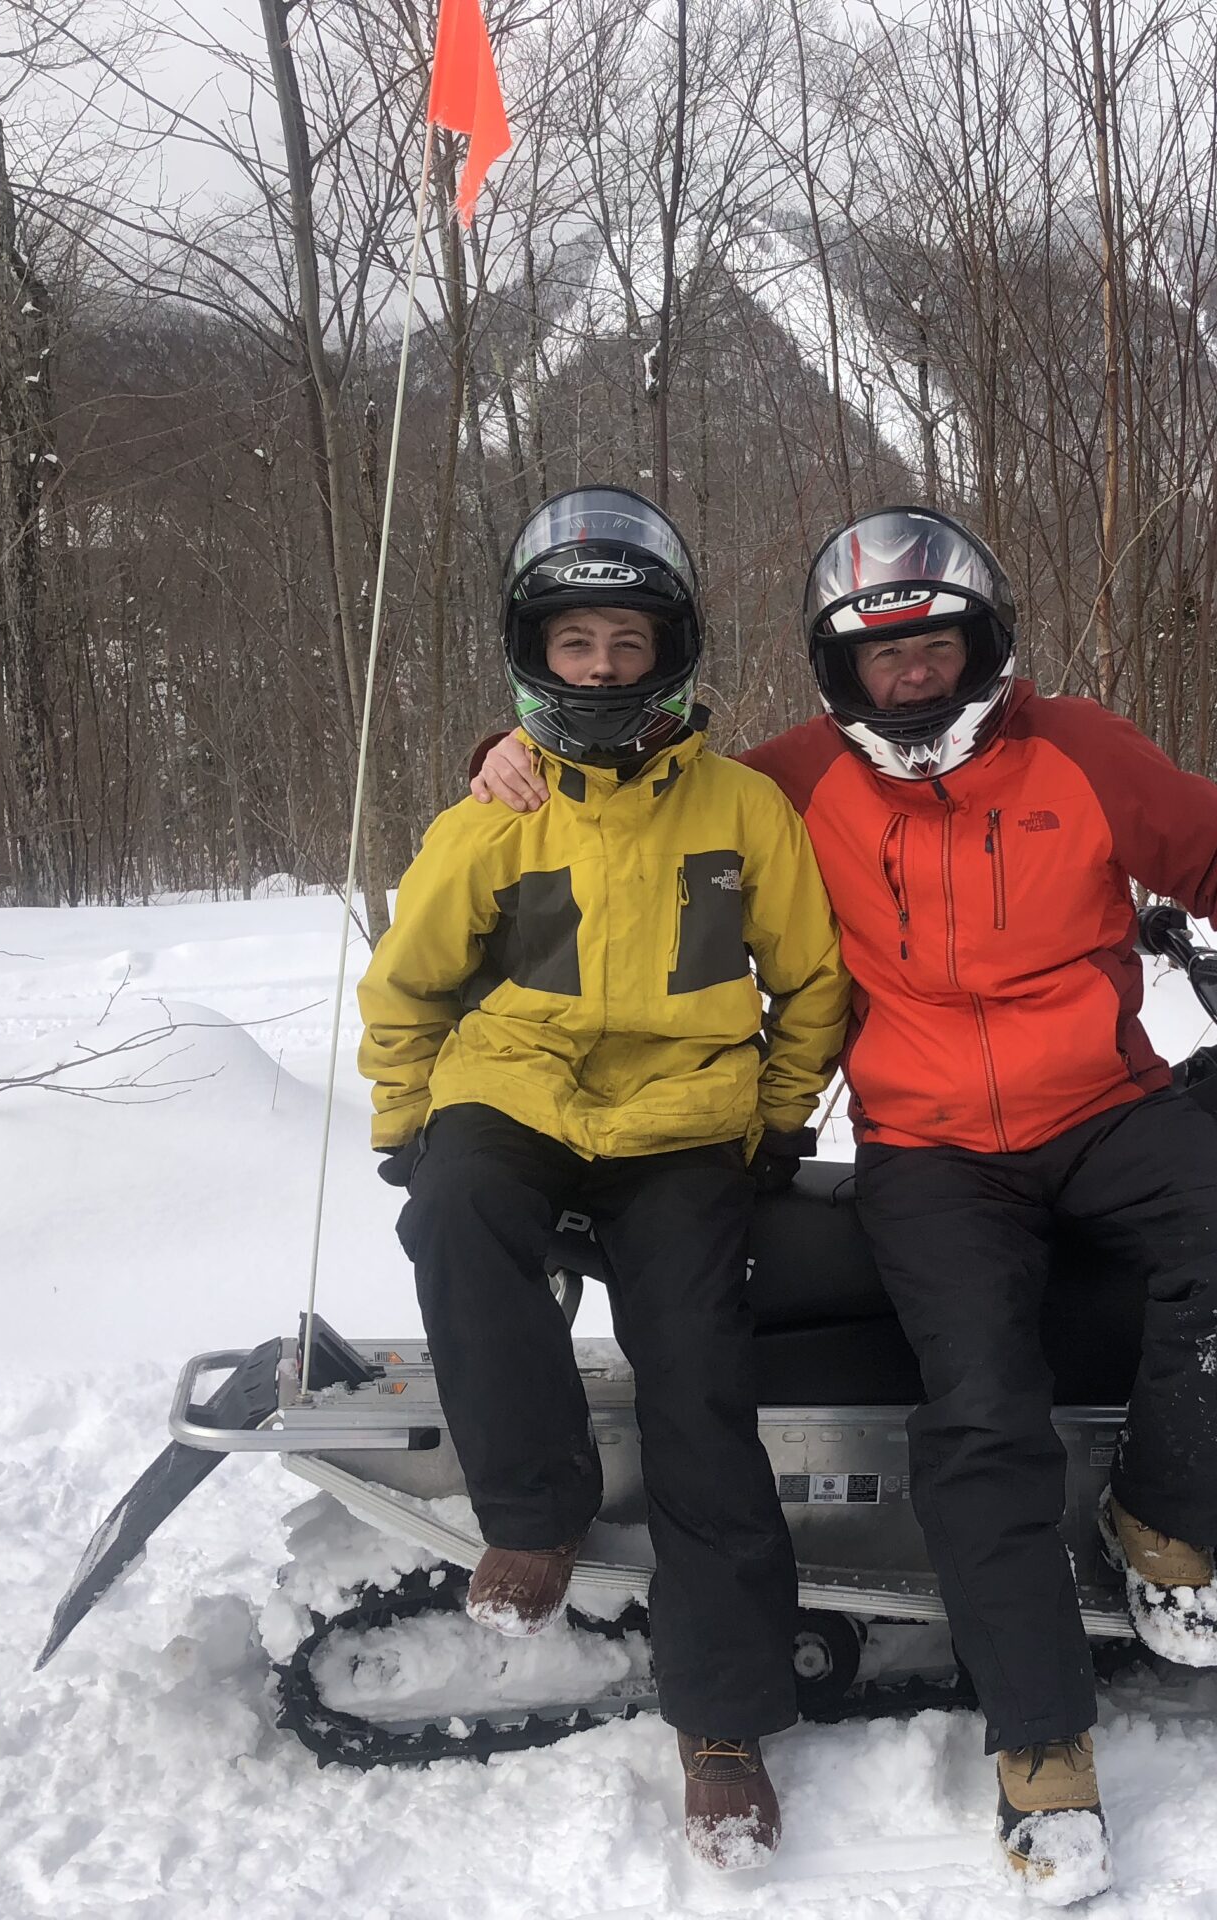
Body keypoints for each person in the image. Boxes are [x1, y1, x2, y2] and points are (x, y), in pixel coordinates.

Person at [472, 506, 1217, 1903]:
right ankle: (1045, 1754)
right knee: (979, 1411)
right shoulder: (793, 781)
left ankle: (1163, 1518)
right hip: (931, 1147)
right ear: (839, 666)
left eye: (936, 644)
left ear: (982, 644)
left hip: (1108, 1105)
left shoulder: (1080, 748)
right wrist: (513, 757)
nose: (911, 677)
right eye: (880, 655)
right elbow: (644, 793)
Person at [360, 487, 849, 1870]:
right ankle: (534, 1516)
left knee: (702, 1385)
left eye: (627, 644)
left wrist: (773, 1117)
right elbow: (406, 988)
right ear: (537, 653)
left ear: (670, 652)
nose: (603, 669)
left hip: (687, 1124)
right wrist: (408, 1119)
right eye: (576, 644)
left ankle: (724, 1724)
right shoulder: (493, 816)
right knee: (453, 1207)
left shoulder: (744, 807)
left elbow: (812, 982)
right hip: (515, 1094)